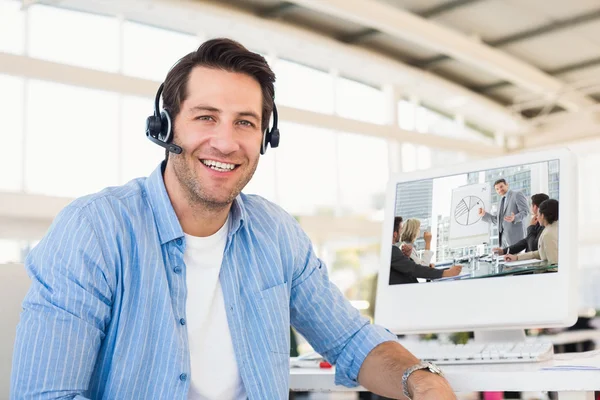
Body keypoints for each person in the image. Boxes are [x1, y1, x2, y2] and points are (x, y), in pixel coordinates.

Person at [11, 39, 455, 400]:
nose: (225, 142)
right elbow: (47, 394)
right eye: (206, 117)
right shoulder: (94, 231)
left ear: (266, 138)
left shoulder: (276, 234)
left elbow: (351, 340)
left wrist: (421, 379)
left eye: (245, 122)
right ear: (165, 127)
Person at [390, 217, 462, 285]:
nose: (402, 231)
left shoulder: (405, 248)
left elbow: (408, 267)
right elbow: (415, 269)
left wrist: (407, 257)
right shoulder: (393, 250)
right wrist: (446, 273)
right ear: (395, 234)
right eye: (401, 229)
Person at [504, 199, 558, 265]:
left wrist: (531, 227)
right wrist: (516, 257)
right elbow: (541, 252)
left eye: (538, 215)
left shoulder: (548, 234)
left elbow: (554, 264)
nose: (537, 217)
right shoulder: (551, 228)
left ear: (542, 215)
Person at [478, 178, 529, 247]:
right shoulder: (500, 201)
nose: (500, 190)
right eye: (497, 189)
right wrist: (484, 214)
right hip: (503, 240)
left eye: (501, 186)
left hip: (516, 238)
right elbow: (498, 221)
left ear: (507, 185)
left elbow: (525, 212)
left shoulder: (517, 195)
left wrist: (515, 218)